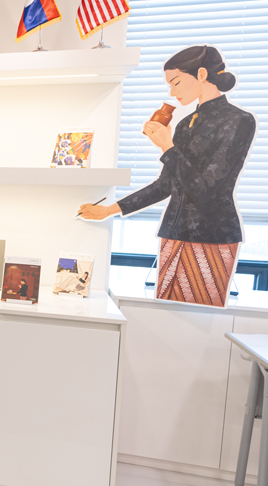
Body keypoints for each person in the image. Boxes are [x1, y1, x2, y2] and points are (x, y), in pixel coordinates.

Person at [79, 45, 257, 306]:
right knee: (163, 311)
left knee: (200, 318)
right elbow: (166, 185)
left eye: (176, 83)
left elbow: (206, 189)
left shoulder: (240, 120)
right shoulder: (186, 124)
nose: (172, 92)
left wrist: (167, 147)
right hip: (173, 232)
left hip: (212, 235)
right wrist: (110, 210)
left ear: (202, 75)